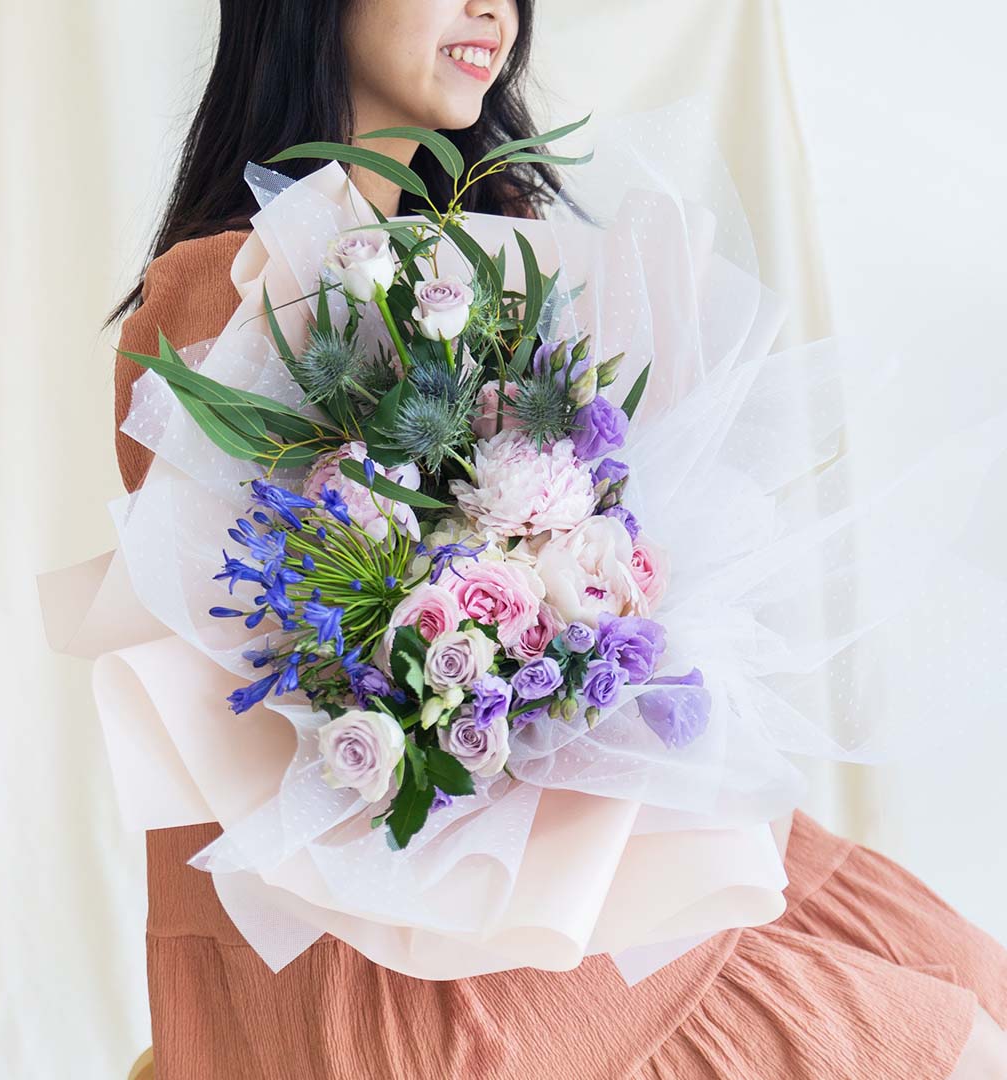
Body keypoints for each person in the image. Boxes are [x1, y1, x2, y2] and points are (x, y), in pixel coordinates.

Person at [110, 2, 1007, 1077]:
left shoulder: (508, 250)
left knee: (955, 979)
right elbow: (297, 675)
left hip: (544, 848)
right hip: (382, 932)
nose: (494, 7)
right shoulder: (227, 290)